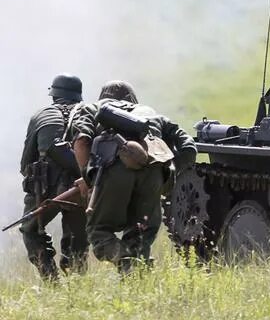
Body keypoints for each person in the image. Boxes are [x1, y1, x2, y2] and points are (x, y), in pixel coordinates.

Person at [70, 80, 196, 273]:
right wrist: (171, 178)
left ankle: (125, 260)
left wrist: (88, 179)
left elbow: (81, 142)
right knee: (140, 232)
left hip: (112, 173)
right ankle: (135, 275)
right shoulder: (151, 114)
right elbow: (188, 146)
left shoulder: (92, 109)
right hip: (153, 172)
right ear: (132, 99)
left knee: (99, 232)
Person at [19, 74, 89, 280]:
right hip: (79, 184)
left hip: (45, 186)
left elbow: (26, 160)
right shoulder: (87, 114)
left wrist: (30, 181)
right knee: (77, 235)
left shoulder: (41, 115)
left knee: (30, 230)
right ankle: (77, 281)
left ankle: (50, 279)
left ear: (53, 94)